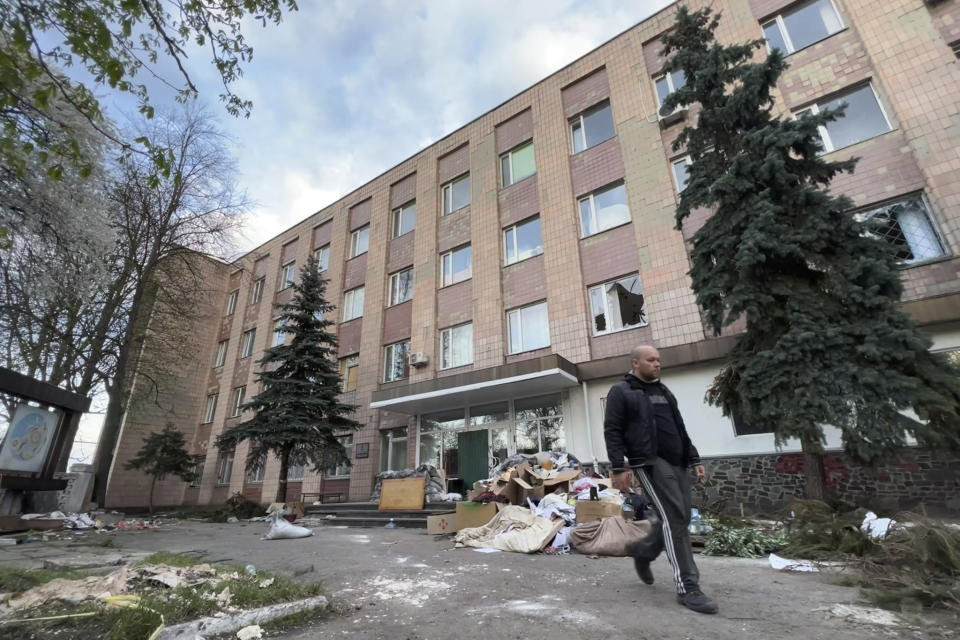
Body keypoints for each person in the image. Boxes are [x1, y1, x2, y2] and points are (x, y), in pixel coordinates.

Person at [603, 344, 718, 614]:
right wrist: (618, 467)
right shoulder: (621, 392)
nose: (657, 364)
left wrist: (695, 459)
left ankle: (644, 550)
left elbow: (680, 428)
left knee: (681, 517)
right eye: (651, 360)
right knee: (675, 517)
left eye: (658, 360)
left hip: (677, 459)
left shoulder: (664, 391)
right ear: (635, 363)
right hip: (649, 462)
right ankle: (688, 586)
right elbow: (612, 430)